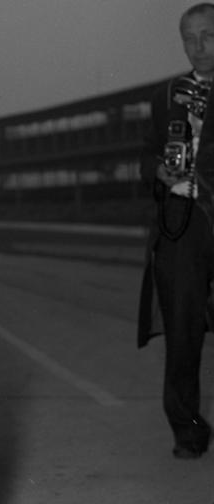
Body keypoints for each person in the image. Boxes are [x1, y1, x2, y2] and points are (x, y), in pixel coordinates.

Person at [138, 3, 214, 460]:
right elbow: (147, 153)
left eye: (208, 35)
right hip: (180, 223)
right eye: (189, 38)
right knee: (182, 331)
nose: (198, 47)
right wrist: (159, 174)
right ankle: (187, 431)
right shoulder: (166, 93)